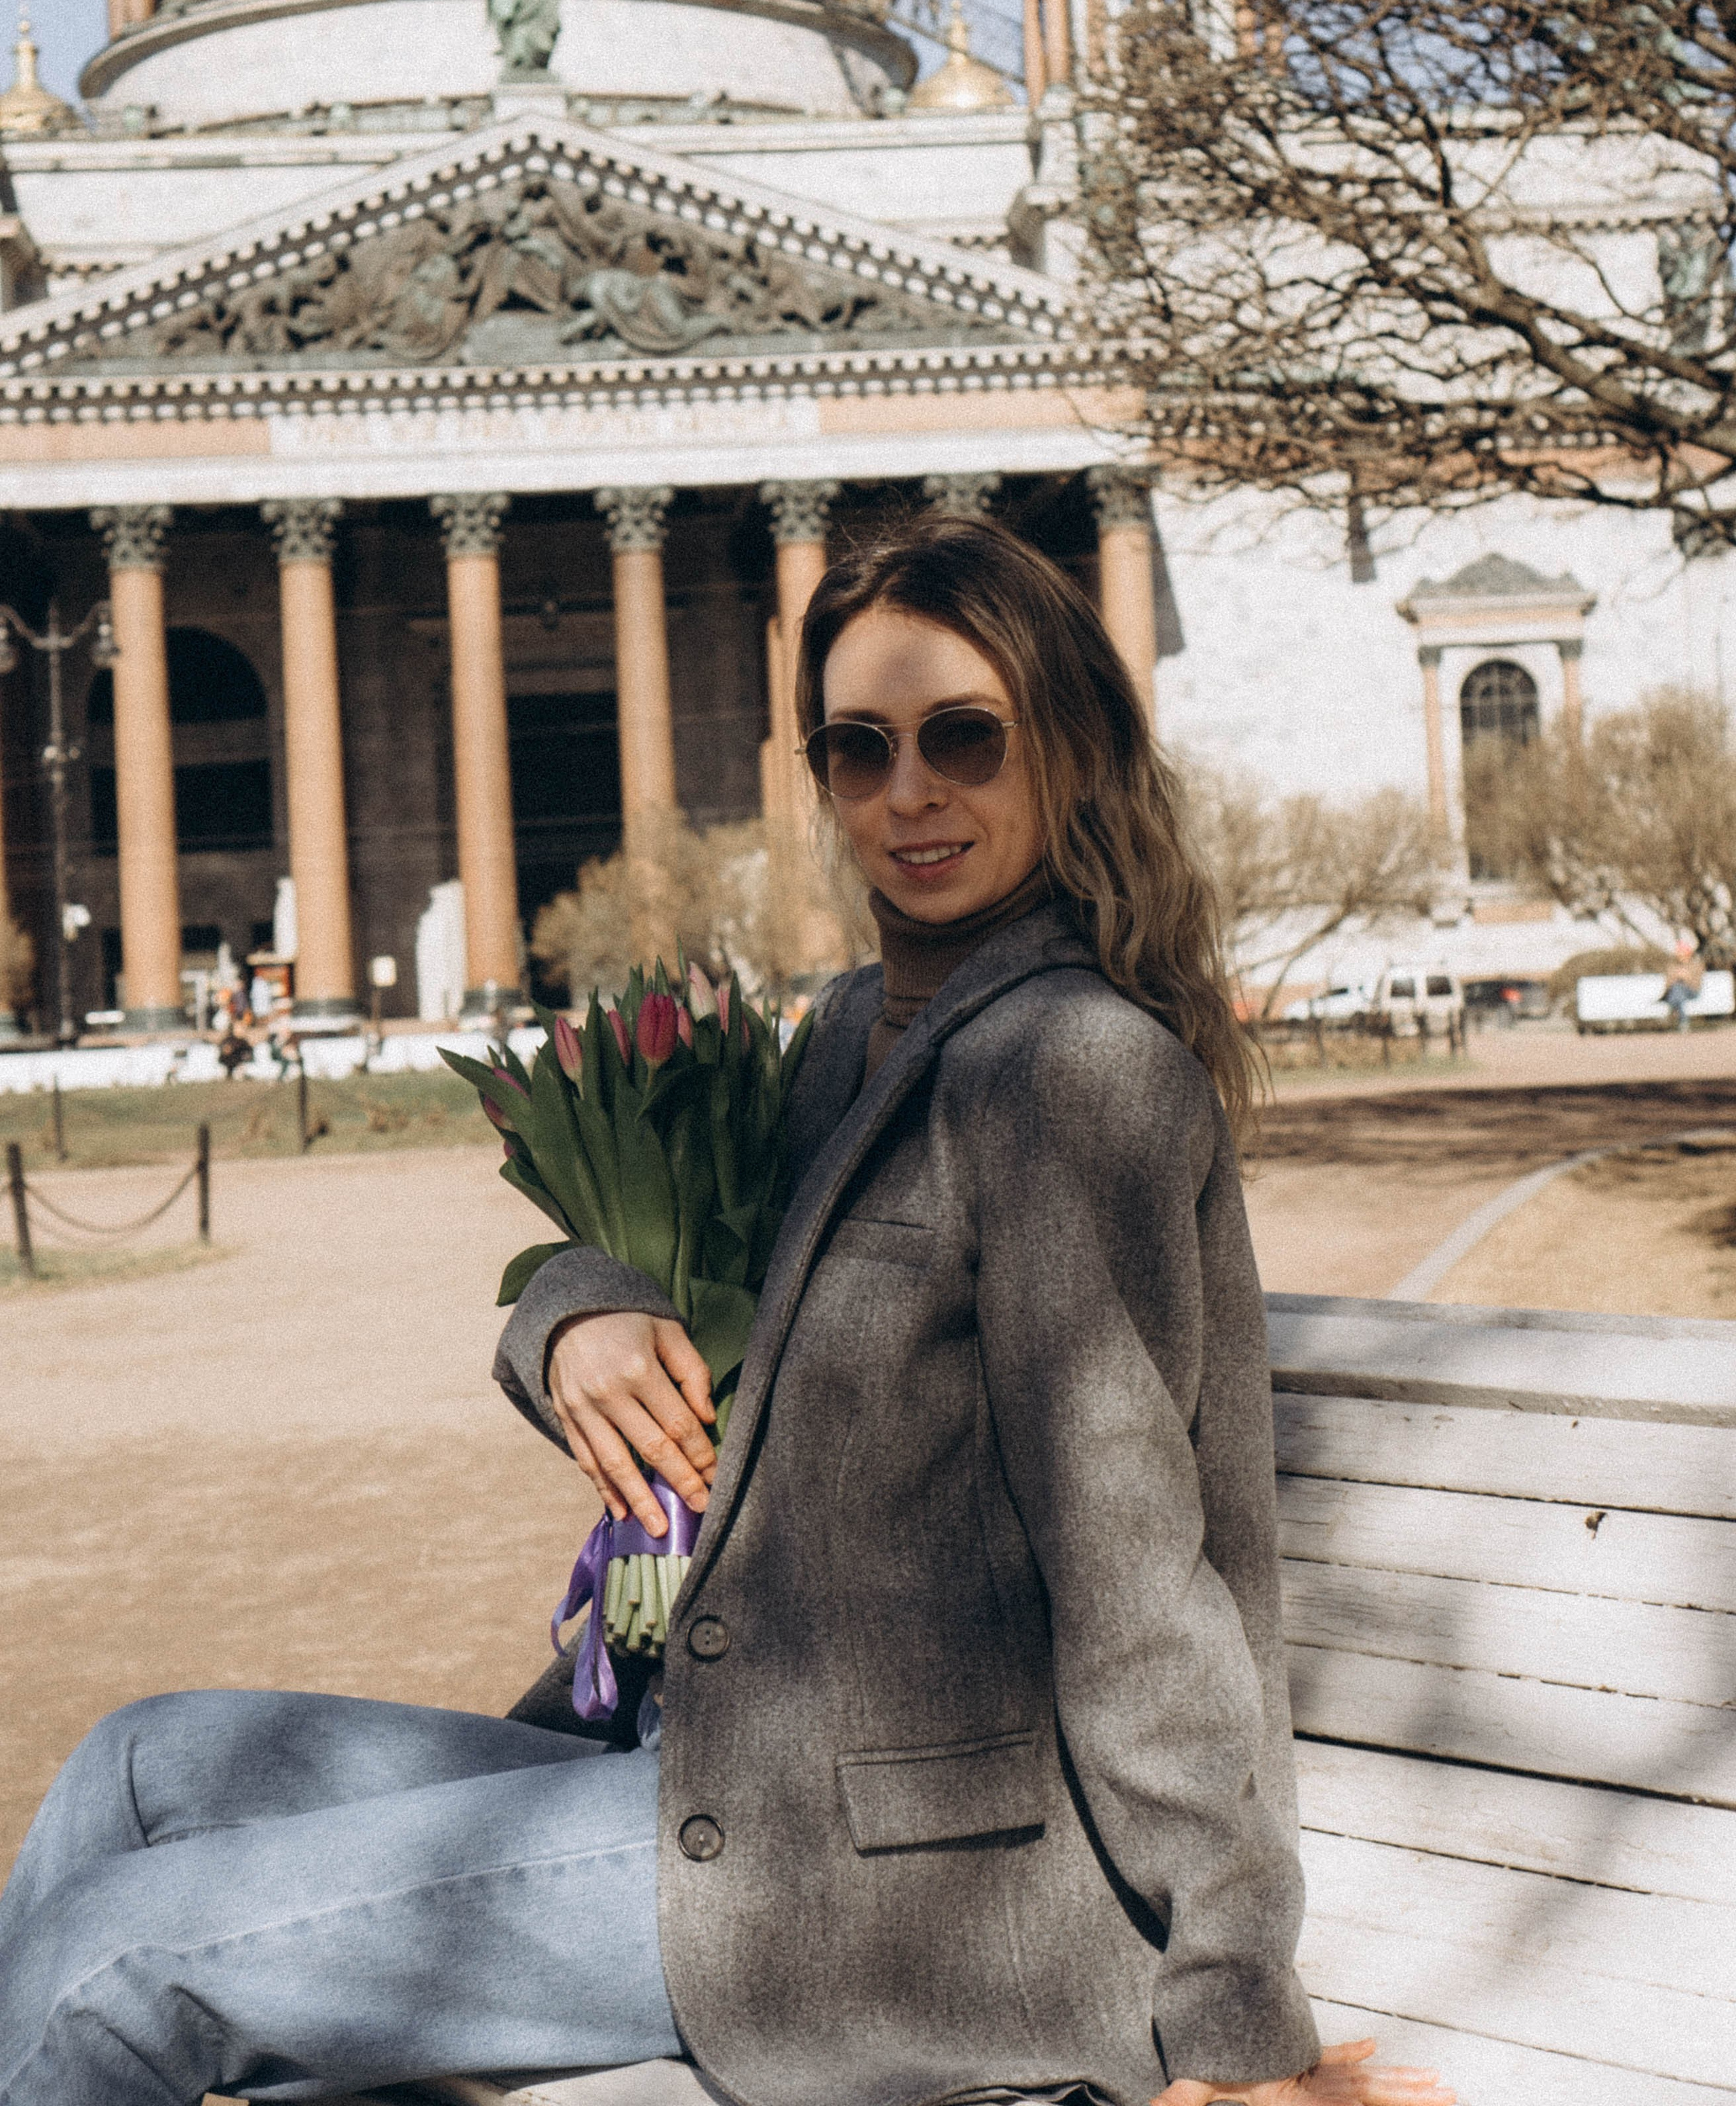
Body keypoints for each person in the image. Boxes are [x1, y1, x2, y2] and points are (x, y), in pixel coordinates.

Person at [0, 516, 1454, 2106]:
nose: (909, 794)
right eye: (858, 749)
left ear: (1073, 747)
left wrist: (1238, 2020)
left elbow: (1143, 1581)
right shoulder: (850, 1036)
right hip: (717, 1777)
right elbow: (660, 1254)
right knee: (138, 1766)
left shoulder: (1072, 1076)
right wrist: (576, 1313)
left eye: (963, 738)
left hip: (906, 1901)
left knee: (116, 1959)